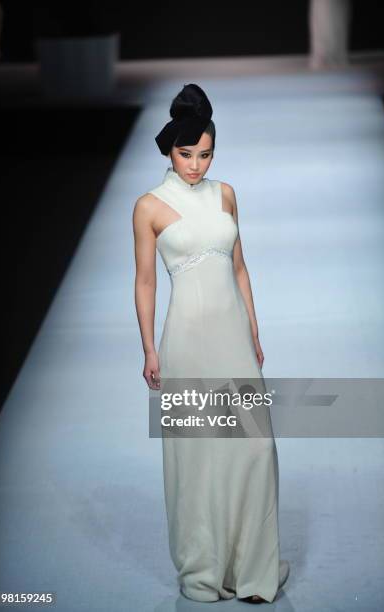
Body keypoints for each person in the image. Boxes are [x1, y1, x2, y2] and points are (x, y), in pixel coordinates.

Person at [133, 83, 289, 603]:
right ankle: (204, 567)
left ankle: (250, 565)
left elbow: (241, 268)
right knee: (198, 454)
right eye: (185, 154)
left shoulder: (226, 194)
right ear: (168, 150)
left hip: (232, 335)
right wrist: (150, 349)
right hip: (187, 338)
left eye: (205, 154)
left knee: (254, 447)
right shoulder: (149, 207)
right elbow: (146, 282)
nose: (196, 165)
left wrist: (255, 328)